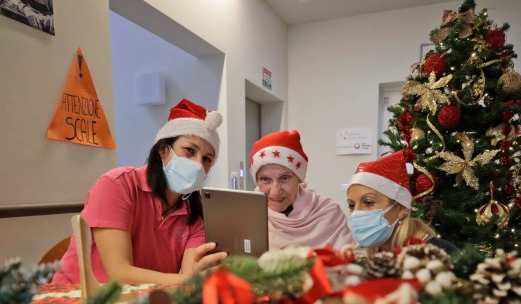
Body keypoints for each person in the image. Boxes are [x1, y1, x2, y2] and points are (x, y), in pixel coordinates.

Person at [51, 99, 227, 286]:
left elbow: (193, 272)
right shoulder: (117, 185)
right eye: (189, 151)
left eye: (207, 159)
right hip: (75, 298)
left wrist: (206, 272)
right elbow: (120, 273)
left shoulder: (194, 215)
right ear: (163, 149)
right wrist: (189, 280)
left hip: (141, 303)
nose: (198, 164)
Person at [249, 130, 355, 251]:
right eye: (265, 179)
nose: (275, 191)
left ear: (299, 179)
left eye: (284, 178)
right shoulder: (246, 216)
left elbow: (355, 260)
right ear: (256, 181)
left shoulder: (328, 213)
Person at [346, 150, 455, 257]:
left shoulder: (440, 253)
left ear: (401, 209)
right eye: (351, 205)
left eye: (368, 202)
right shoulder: (369, 260)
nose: (356, 212)